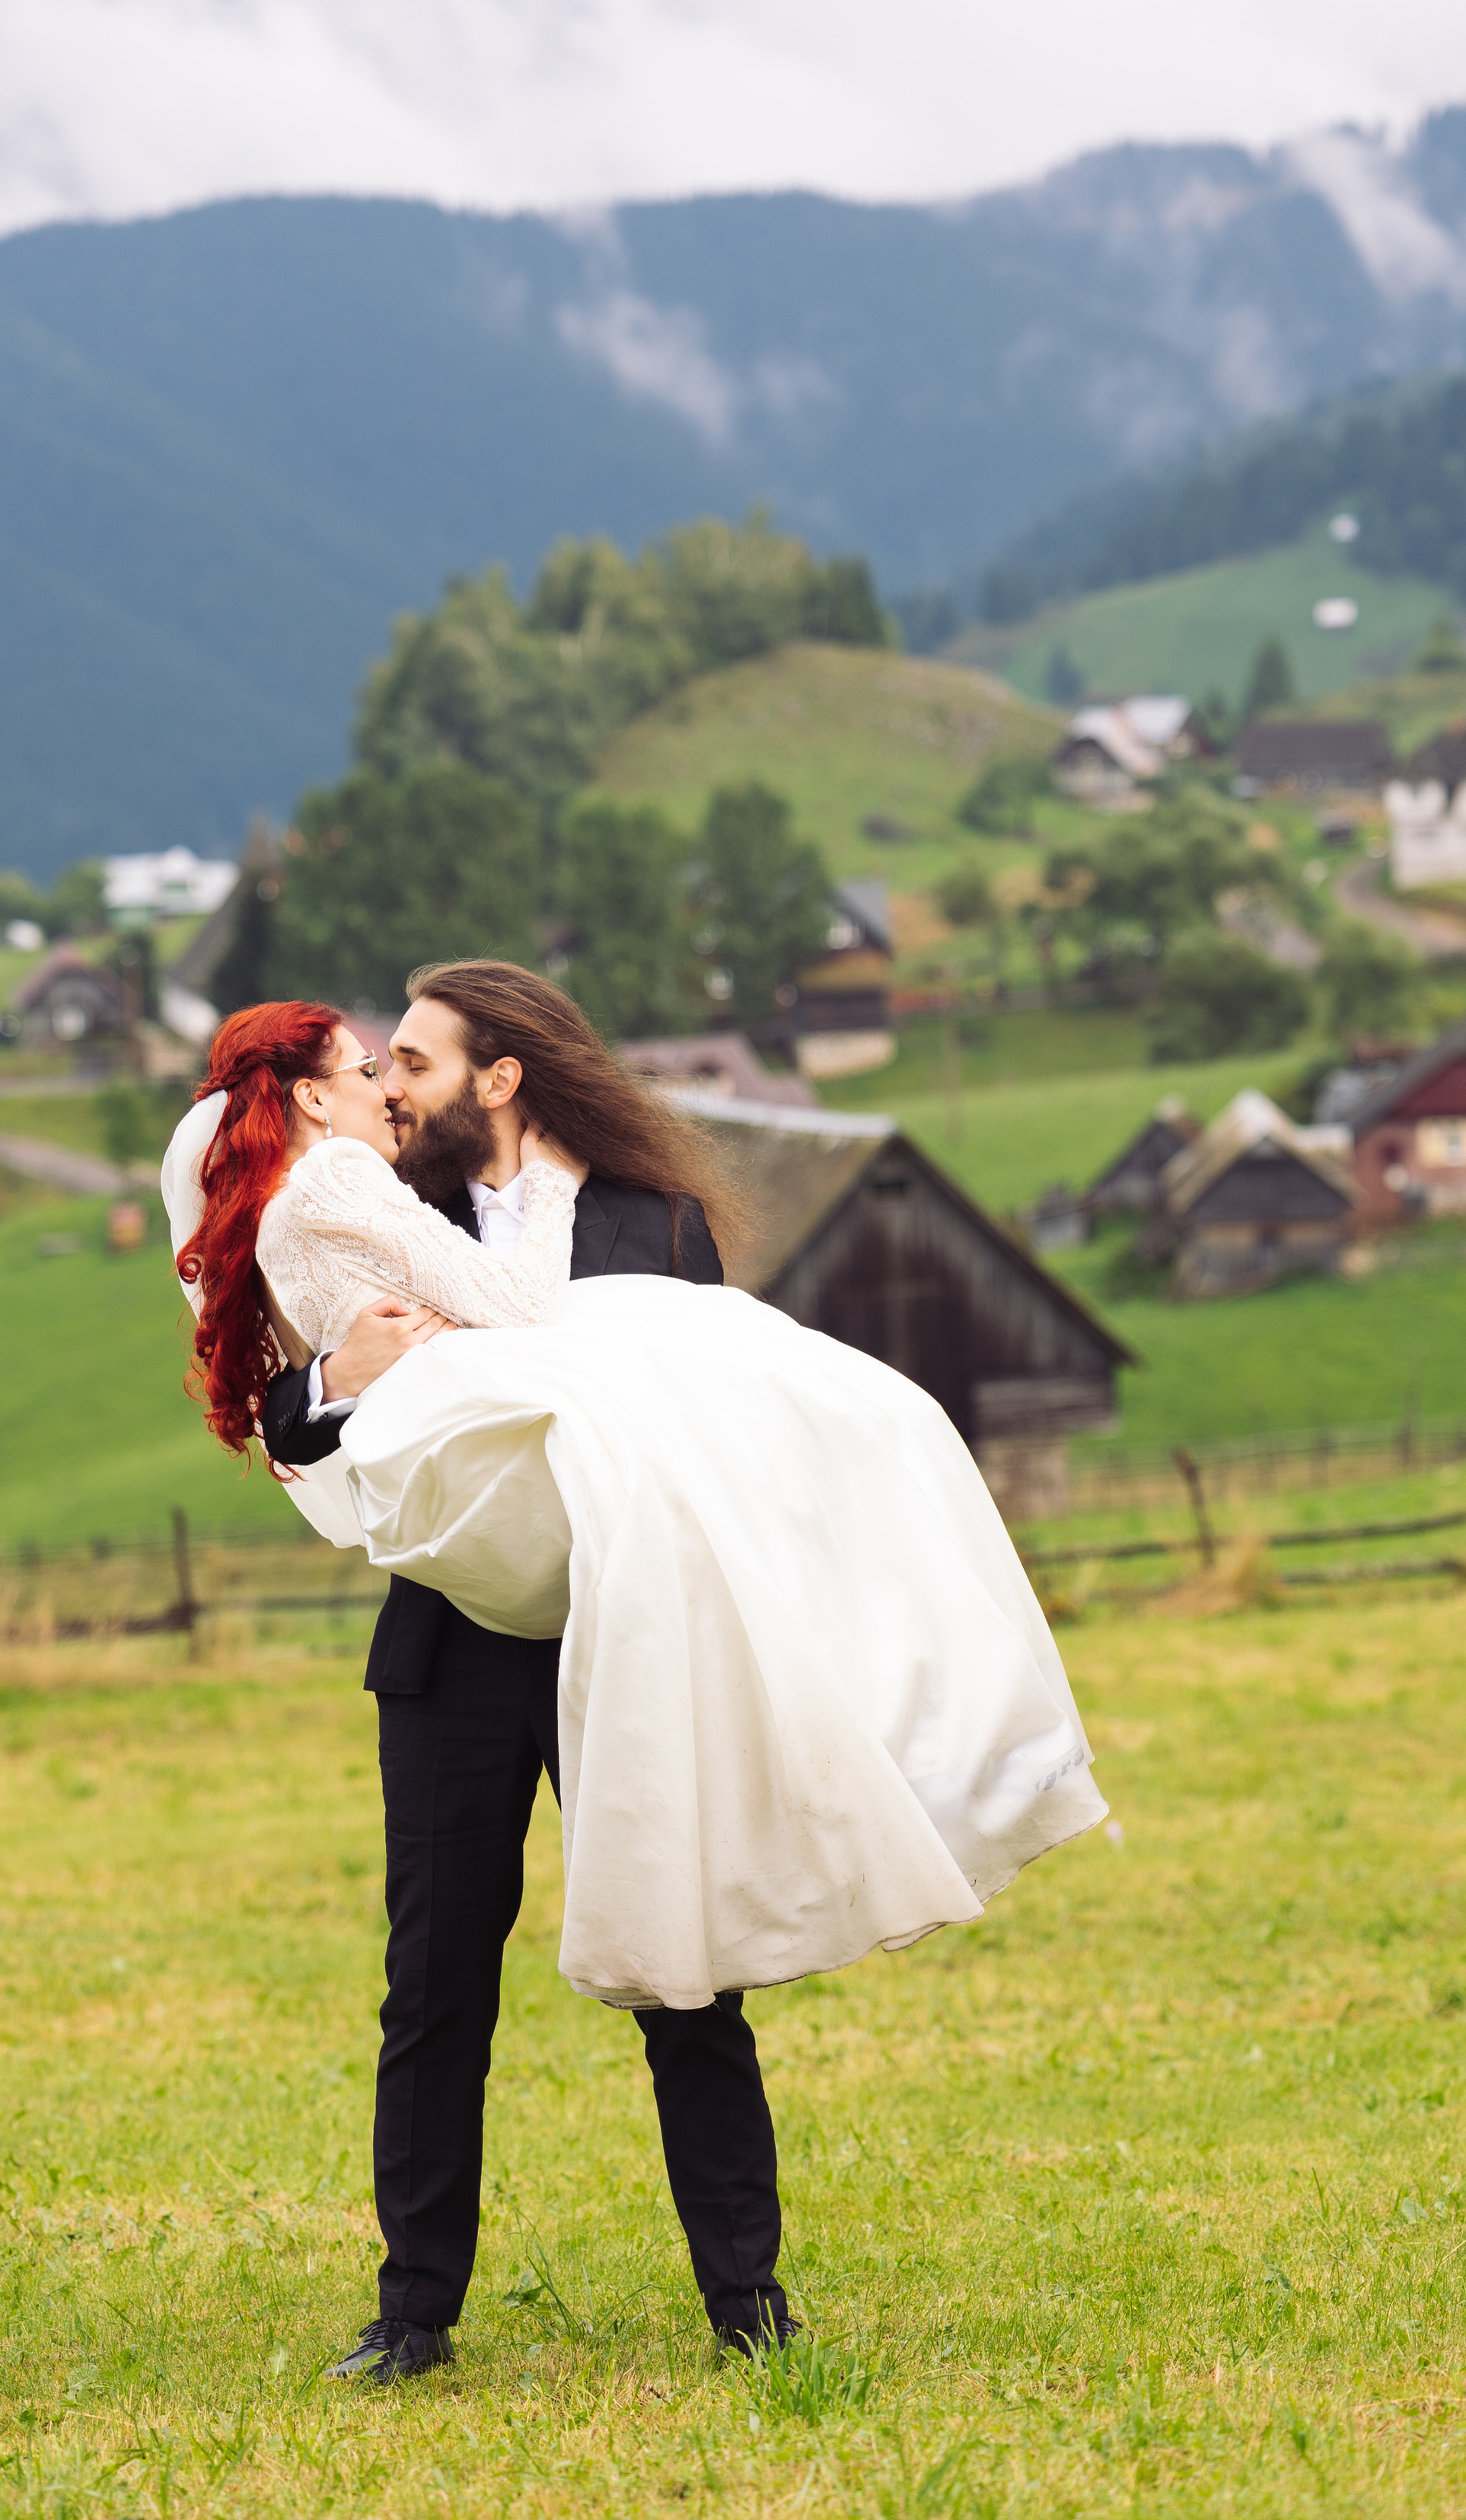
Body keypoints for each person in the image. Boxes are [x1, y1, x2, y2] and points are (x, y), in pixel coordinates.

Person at [161, 963, 1105, 2389]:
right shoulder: (358, 1197)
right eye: (384, 1064)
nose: (396, 1085)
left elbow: (718, 1417)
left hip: (631, 1626)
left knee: (688, 1974)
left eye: (419, 1062)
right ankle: (411, 2314)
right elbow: (286, 1417)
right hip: (448, 1645)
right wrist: (343, 1375)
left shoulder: (648, 1221)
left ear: (503, 1076)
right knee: (433, 1986)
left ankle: (748, 2299)